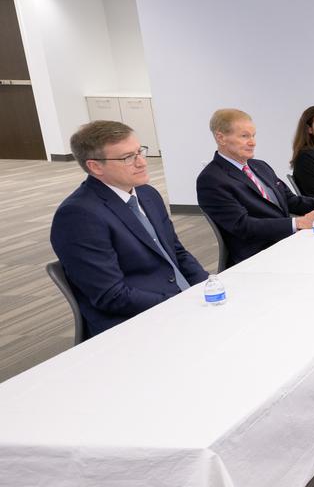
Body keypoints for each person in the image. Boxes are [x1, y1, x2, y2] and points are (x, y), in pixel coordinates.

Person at [51, 120, 209, 338]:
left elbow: (176, 251)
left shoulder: (147, 194)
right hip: (135, 322)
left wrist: (206, 286)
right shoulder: (78, 216)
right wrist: (180, 304)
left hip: (182, 303)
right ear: (95, 166)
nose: (142, 162)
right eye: (128, 158)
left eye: (140, 152)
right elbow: (110, 295)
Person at [197, 108, 314, 268]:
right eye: (244, 136)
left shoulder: (259, 166)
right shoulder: (211, 179)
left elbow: (291, 201)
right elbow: (243, 226)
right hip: (259, 257)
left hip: (286, 242)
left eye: (253, 135)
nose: (253, 142)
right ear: (221, 138)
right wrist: (299, 222)